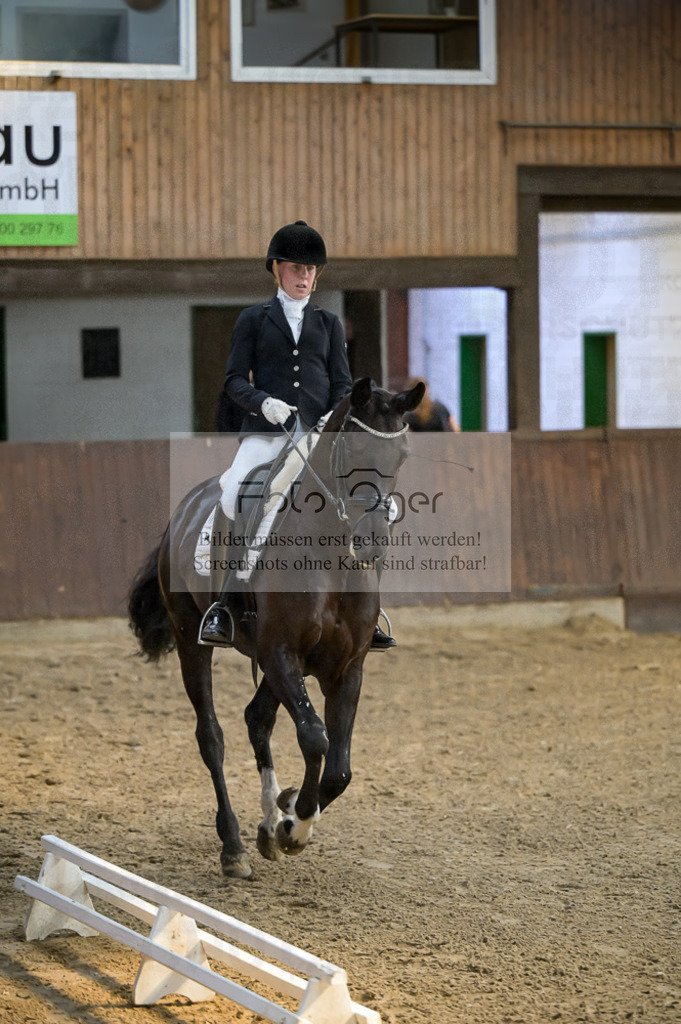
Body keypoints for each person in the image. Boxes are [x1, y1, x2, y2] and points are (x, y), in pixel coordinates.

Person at [199, 220, 396, 651]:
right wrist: (262, 403)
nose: (304, 276)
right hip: (265, 435)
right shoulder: (252, 319)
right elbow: (233, 380)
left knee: (366, 501)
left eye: (311, 270)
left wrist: (330, 421)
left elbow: (343, 387)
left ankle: (368, 609)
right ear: (277, 269)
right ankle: (226, 603)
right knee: (235, 493)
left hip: (317, 438)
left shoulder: (329, 324)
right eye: (295, 268)